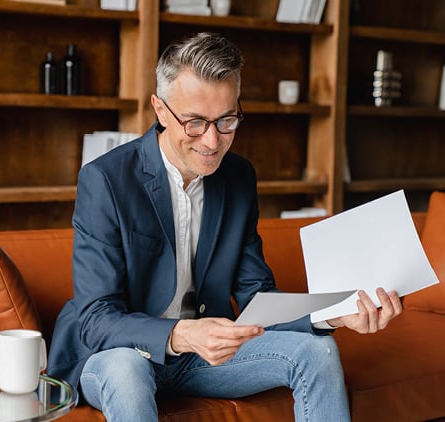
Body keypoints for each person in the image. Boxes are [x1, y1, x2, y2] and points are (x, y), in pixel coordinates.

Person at [47, 32, 402, 421]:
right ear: (160, 110)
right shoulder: (107, 180)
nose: (213, 141)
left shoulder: (238, 176)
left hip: (205, 357)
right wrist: (181, 335)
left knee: (317, 351)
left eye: (227, 120)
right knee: (127, 370)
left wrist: (333, 314)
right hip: (121, 354)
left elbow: (255, 295)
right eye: (195, 122)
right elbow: (97, 316)